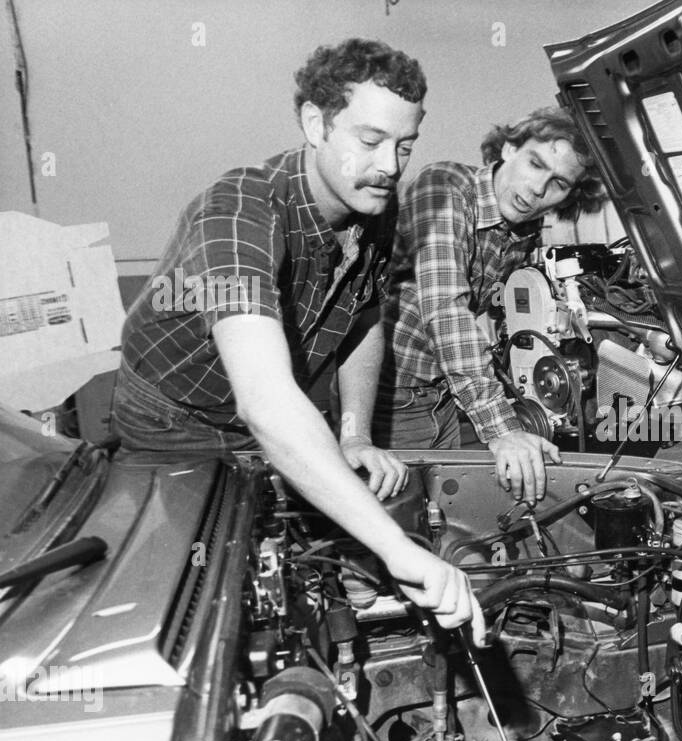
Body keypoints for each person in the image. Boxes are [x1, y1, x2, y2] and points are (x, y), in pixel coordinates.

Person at [110, 39, 483, 641]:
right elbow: (266, 402)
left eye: (405, 145)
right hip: (172, 420)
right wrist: (395, 549)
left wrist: (355, 433)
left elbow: (364, 318)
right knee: (188, 594)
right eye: (370, 140)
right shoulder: (237, 210)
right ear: (315, 123)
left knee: (299, 573)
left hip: (268, 411)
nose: (390, 165)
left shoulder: (373, 203)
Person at [375, 107, 605, 501]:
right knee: (402, 520)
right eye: (535, 164)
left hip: (444, 396)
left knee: (445, 517)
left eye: (558, 183)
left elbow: (504, 312)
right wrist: (503, 430)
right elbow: (446, 307)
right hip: (392, 400)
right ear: (509, 148)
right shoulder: (444, 188)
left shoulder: (525, 229)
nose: (538, 189)